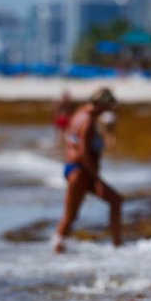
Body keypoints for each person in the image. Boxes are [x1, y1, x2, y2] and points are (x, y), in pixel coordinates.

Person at [52, 88, 123, 253]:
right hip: (81, 171)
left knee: (72, 214)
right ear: (101, 104)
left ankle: (59, 247)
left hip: (75, 168)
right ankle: (117, 244)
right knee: (71, 214)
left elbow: (70, 141)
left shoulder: (79, 114)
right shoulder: (88, 121)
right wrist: (96, 178)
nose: (108, 110)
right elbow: (83, 152)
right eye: (108, 107)